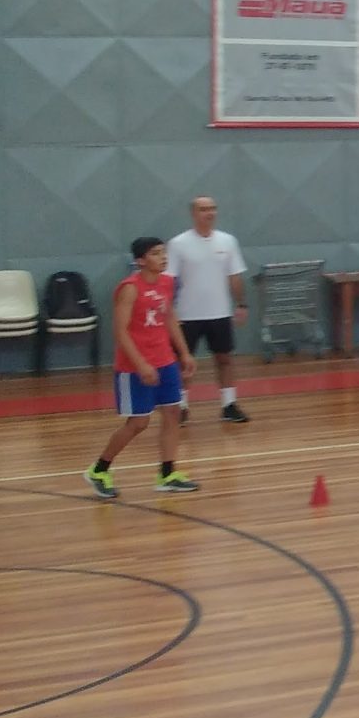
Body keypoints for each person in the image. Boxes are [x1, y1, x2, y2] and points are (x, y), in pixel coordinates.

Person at [85, 237, 200, 499]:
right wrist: (141, 364)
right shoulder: (129, 288)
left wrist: (184, 352)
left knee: (173, 413)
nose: (163, 257)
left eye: (163, 252)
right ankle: (99, 470)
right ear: (140, 260)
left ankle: (167, 474)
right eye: (155, 253)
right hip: (134, 367)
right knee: (138, 423)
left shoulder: (167, 283)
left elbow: (169, 317)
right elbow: (120, 331)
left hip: (165, 360)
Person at [168, 195, 252, 426]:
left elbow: (235, 275)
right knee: (184, 362)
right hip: (187, 315)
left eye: (213, 208)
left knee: (224, 358)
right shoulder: (178, 244)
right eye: (204, 209)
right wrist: (170, 312)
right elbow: (169, 280)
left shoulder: (228, 241)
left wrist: (241, 304)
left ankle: (229, 405)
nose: (210, 213)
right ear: (193, 213)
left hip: (220, 314)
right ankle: (181, 406)